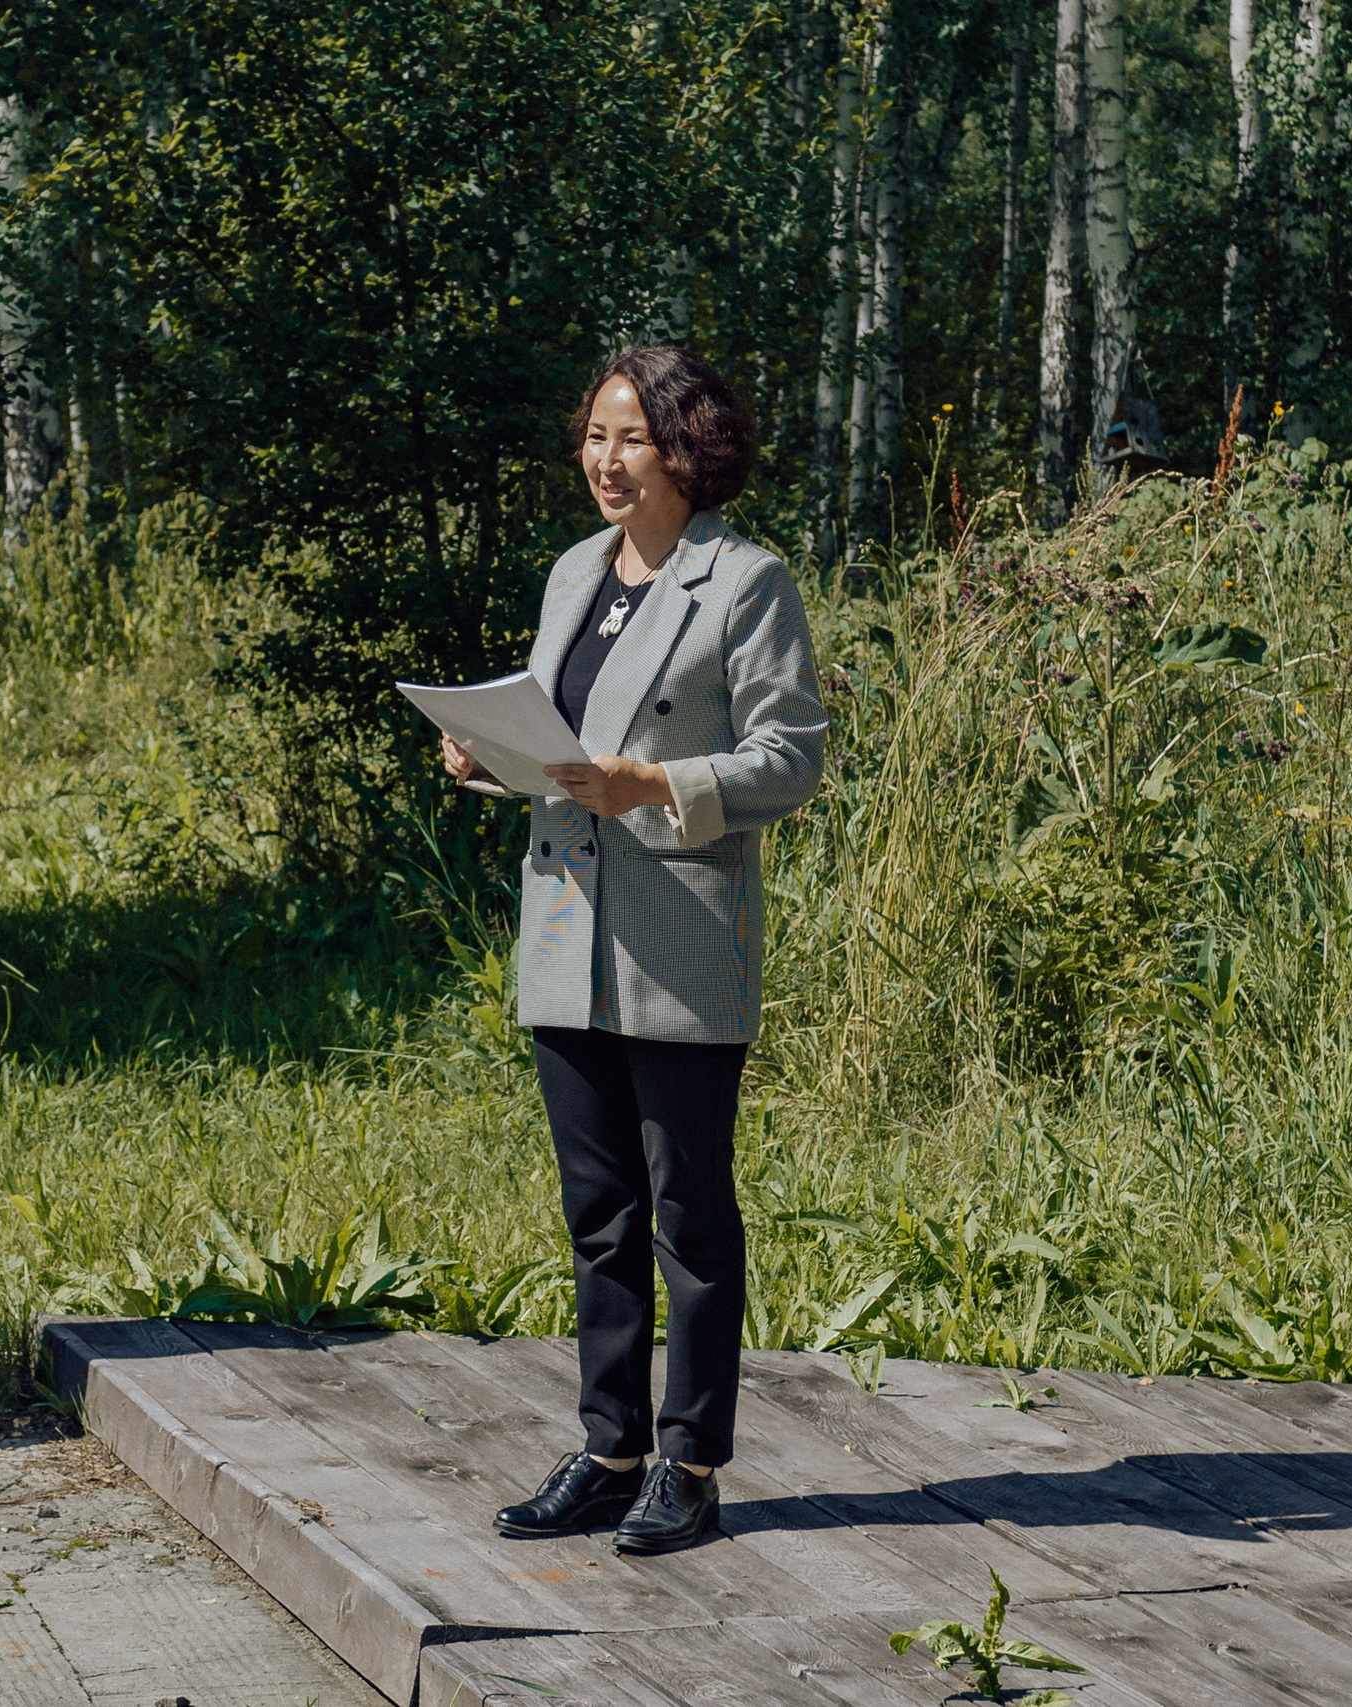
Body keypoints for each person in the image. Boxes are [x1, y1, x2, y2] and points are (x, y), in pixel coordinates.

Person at [450, 346, 825, 1555]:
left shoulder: (745, 583)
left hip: (678, 937)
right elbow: (563, 742)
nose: (605, 463)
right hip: (564, 928)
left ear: (688, 448)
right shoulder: (571, 573)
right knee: (598, 1214)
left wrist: (649, 781)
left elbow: (791, 759)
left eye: (631, 439)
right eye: (594, 437)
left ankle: (691, 1463)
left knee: (688, 1216)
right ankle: (608, 1449)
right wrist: (492, 756)